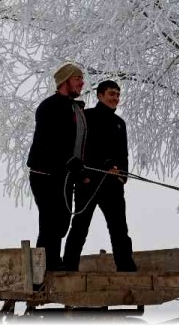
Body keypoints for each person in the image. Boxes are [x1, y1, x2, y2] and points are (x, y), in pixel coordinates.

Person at [61, 80, 138, 272]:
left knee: (119, 228)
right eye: (112, 94)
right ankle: (69, 267)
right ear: (100, 95)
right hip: (88, 182)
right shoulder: (86, 117)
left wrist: (122, 176)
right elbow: (81, 149)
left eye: (118, 95)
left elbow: (123, 155)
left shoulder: (120, 123)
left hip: (113, 185)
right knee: (80, 226)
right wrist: (87, 174)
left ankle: (126, 268)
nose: (115, 98)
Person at [27, 62, 88, 272]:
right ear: (65, 81)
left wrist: (80, 169)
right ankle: (45, 269)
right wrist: (68, 160)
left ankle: (51, 262)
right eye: (78, 78)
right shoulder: (48, 107)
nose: (82, 83)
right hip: (44, 174)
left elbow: (78, 143)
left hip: (65, 175)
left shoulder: (74, 108)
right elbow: (47, 140)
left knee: (62, 222)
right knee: (50, 222)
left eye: (82, 79)